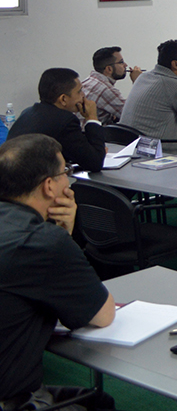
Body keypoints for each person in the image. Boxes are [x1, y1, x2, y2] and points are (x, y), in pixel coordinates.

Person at [0, 134, 116, 409]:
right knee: (98, 402)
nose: (69, 180)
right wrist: (61, 236)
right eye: (66, 172)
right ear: (49, 186)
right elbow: (102, 315)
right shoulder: (41, 242)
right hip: (9, 399)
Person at [7, 69, 106, 173]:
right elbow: (95, 163)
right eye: (79, 91)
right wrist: (92, 118)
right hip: (30, 184)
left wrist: (92, 149)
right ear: (63, 99)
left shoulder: (27, 112)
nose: (83, 95)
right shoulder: (65, 121)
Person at [120, 39, 177, 147]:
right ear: (176, 64)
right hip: (162, 155)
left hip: (132, 148)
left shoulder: (144, 76)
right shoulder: (174, 84)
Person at [81, 46, 141, 125]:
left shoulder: (89, 80)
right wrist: (137, 82)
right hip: (88, 135)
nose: (125, 65)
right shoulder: (105, 89)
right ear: (109, 69)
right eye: (121, 62)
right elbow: (135, 115)